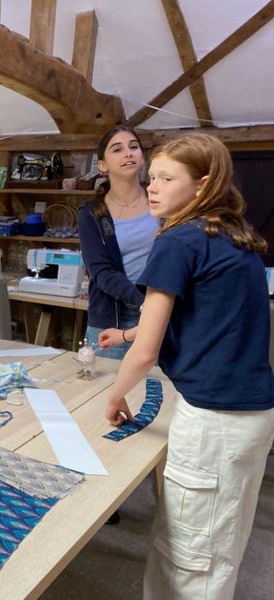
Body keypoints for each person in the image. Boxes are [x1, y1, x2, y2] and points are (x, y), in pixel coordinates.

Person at [100, 134, 274, 599]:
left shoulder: (177, 239)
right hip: (250, 416)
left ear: (202, 186)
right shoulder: (233, 234)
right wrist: (126, 332)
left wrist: (116, 397)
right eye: (151, 176)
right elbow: (206, 312)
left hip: (215, 420)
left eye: (166, 178)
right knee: (219, 548)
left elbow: (145, 356)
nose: (151, 186)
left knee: (190, 558)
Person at [78, 126, 159, 359]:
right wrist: (145, 303)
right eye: (117, 149)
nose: (128, 153)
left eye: (134, 147)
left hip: (161, 311)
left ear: (143, 158)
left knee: (159, 390)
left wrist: (159, 308)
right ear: (102, 165)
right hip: (111, 318)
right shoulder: (92, 213)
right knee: (104, 390)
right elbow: (101, 272)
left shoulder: (161, 202)